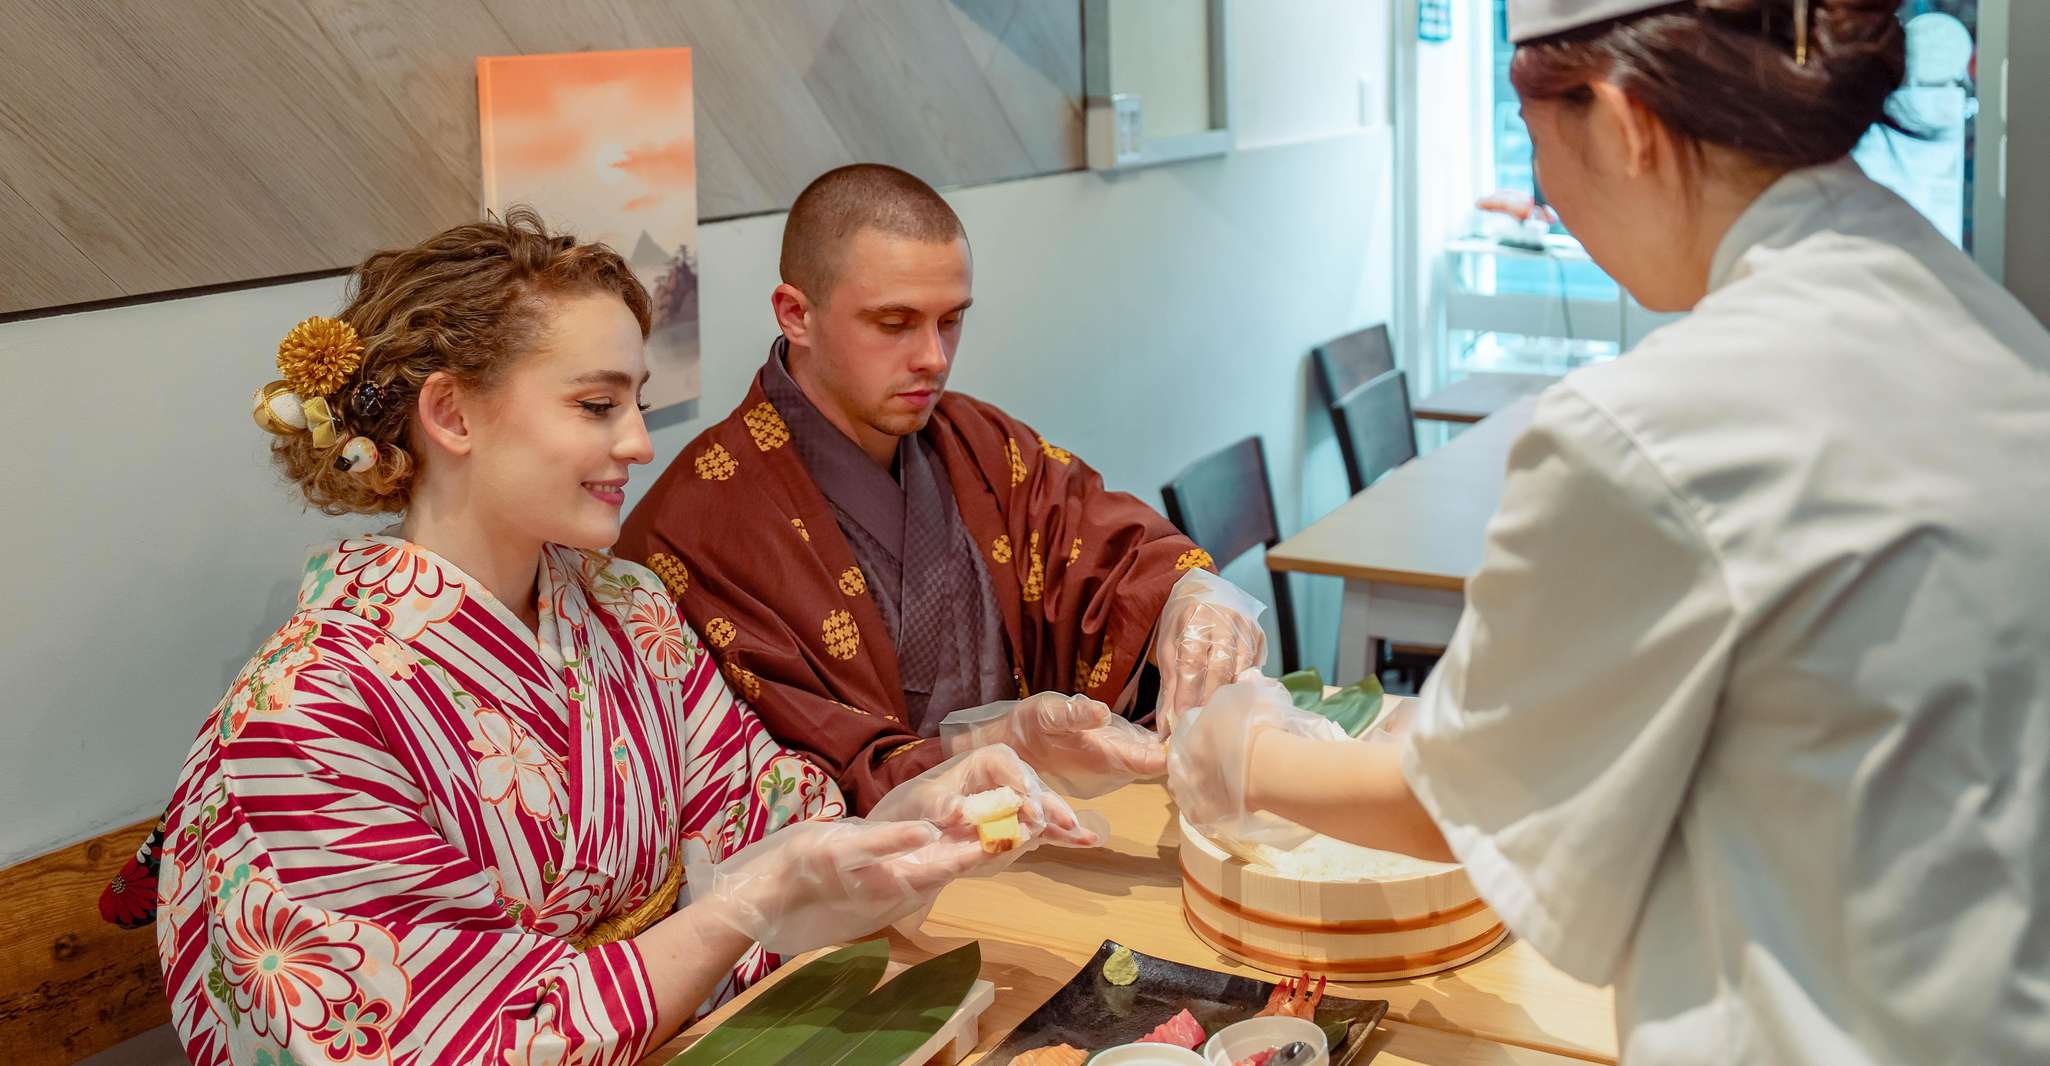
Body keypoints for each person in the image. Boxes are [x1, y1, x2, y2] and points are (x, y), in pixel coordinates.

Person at [1168, 2, 2050, 1062]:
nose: (1550, 198)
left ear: (1624, 121)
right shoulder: (1985, 320)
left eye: (1540, 147)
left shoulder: (1656, 423)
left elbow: (1460, 806)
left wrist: (1238, 753)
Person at [141, 209, 1088, 1066]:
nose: (639, 442)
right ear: (451, 413)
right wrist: (742, 910)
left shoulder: (625, 607)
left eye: (635, 400)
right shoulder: (306, 707)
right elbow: (426, 1037)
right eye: (598, 406)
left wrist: (925, 810)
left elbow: (772, 830)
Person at [615, 164, 1267, 812]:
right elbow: (779, 780)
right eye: (894, 323)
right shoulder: (702, 519)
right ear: (796, 315)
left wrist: (1185, 597)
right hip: (854, 890)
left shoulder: (978, 441)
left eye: (951, 320)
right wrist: (985, 744)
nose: (933, 357)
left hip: (1040, 831)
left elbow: (1104, 546)